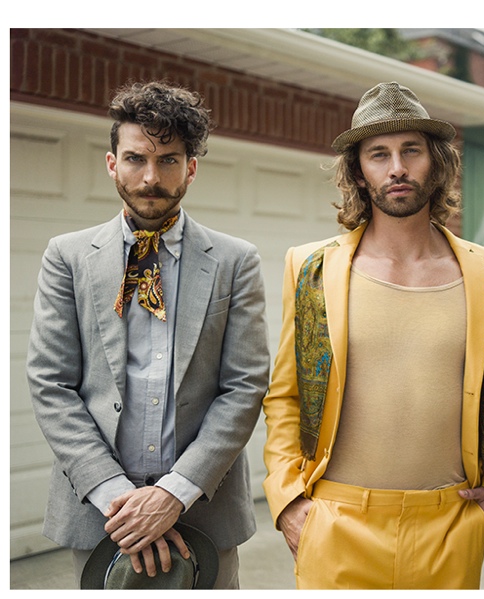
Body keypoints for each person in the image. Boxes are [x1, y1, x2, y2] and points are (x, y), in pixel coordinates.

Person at [262, 81, 484, 589]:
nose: (397, 168)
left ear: (437, 162)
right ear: (359, 172)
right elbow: (285, 394)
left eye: (411, 151)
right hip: (336, 522)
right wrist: (288, 499)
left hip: (451, 524)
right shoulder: (310, 267)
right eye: (378, 154)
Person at [27, 81, 270, 589]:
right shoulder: (67, 257)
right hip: (101, 514)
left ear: (192, 168)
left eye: (169, 161)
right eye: (136, 159)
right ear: (112, 163)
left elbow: (244, 386)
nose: (151, 178)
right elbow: (51, 384)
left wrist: (173, 494)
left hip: (205, 508)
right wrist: (119, 497)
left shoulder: (234, 260)